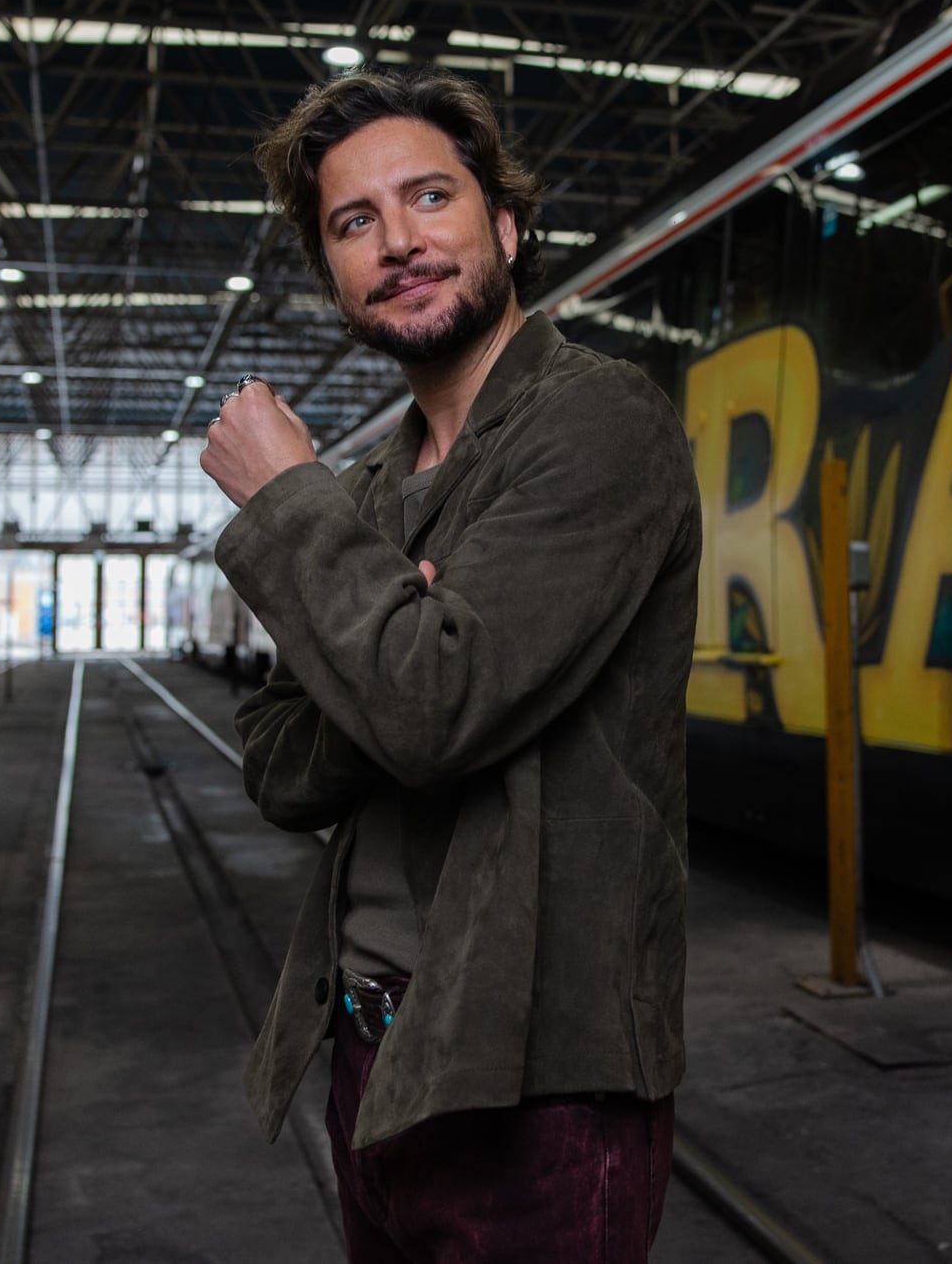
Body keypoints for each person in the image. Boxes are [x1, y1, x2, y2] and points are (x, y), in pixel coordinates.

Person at [199, 64, 700, 1262]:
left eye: (429, 198)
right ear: (333, 274)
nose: (397, 242)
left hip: (536, 1081)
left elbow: (430, 708)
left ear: (507, 228)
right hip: (370, 1049)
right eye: (353, 222)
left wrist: (285, 501)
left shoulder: (596, 423)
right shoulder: (375, 490)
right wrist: (388, 646)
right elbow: (275, 763)